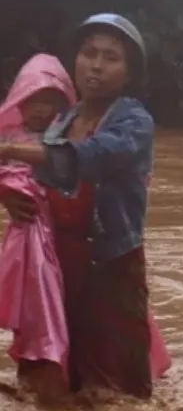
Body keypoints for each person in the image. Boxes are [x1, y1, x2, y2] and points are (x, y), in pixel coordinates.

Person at [0, 14, 169, 398]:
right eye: (89, 53)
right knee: (61, 383)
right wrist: (8, 194)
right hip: (61, 264)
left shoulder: (134, 122)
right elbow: (32, 180)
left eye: (111, 58)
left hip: (111, 265)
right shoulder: (64, 120)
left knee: (118, 389)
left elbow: (91, 157)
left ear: (128, 74)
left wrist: (10, 148)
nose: (96, 64)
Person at [0, 54, 76, 401]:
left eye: (51, 102)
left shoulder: (68, 142)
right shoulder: (7, 139)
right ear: (20, 100)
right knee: (36, 293)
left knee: (65, 301)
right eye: (36, 100)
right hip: (27, 232)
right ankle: (42, 363)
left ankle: (48, 366)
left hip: (63, 236)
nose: (43, 110)